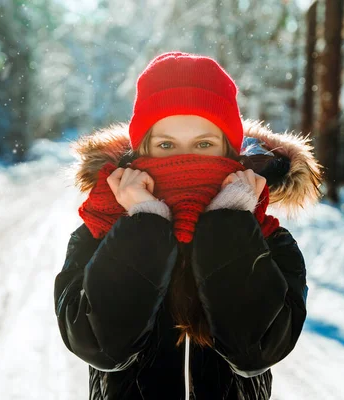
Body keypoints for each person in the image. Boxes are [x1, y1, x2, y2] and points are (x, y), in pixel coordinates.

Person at [54, 51, 322, 400]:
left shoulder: (269, 240)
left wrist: (229, 223)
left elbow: (256, 352)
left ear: (230, 151)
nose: (186, 159)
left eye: (204, 144)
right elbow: (101, 347)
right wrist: (145, 225)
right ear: (140, 151)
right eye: (166, 144)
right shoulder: (99, 232)